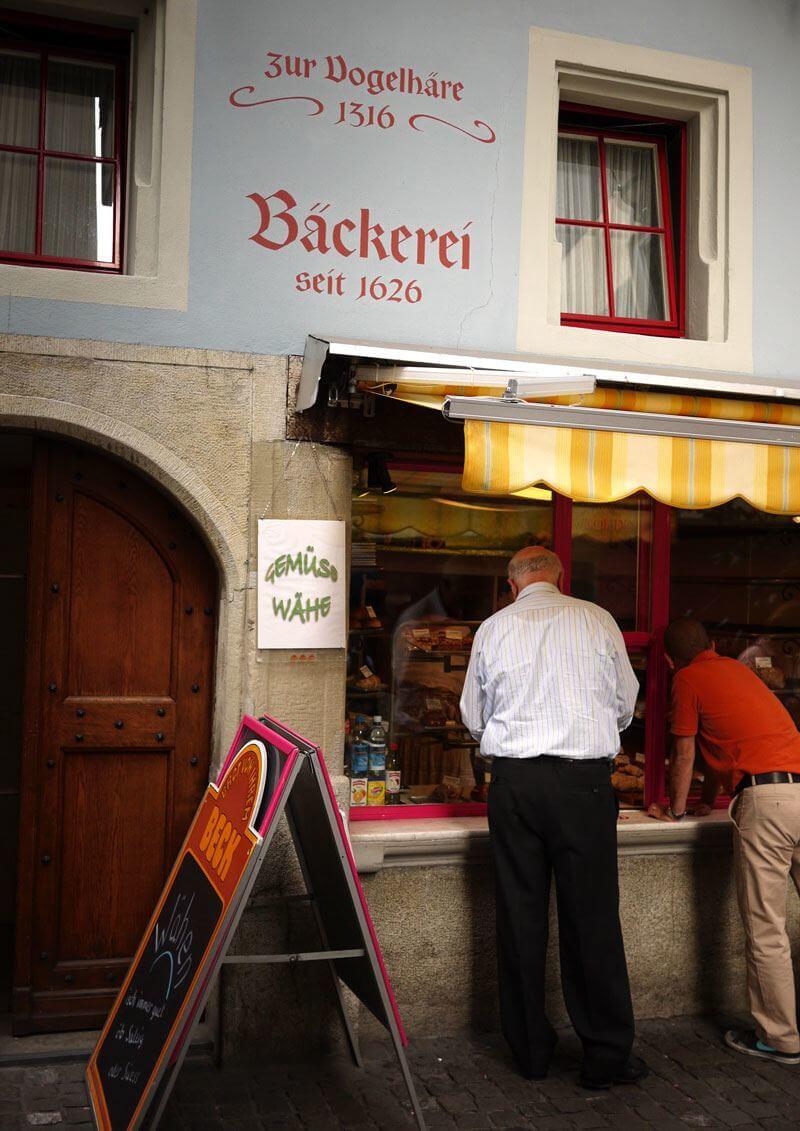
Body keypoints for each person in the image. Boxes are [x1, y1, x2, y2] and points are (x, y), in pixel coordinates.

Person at [460, 546, 647, 1089]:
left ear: (511, 584)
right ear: (559, 577)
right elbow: (623, 704)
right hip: (582, 782)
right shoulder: (596, 619)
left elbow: (474, 716)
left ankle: (530, 1052)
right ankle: (606, 1055)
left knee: (519, 914)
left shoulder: (493, 629)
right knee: (592, 918)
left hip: (515, 783)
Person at [651, 617, 800, 1065]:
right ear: (714, 645)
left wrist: (677, 808)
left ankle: (780, 1039)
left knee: (766, 930)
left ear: (666, 659)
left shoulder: (687, 679)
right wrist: (709, 798)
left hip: (767, 803)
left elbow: (686, 750)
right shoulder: (739, 670)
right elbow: (730, 742)